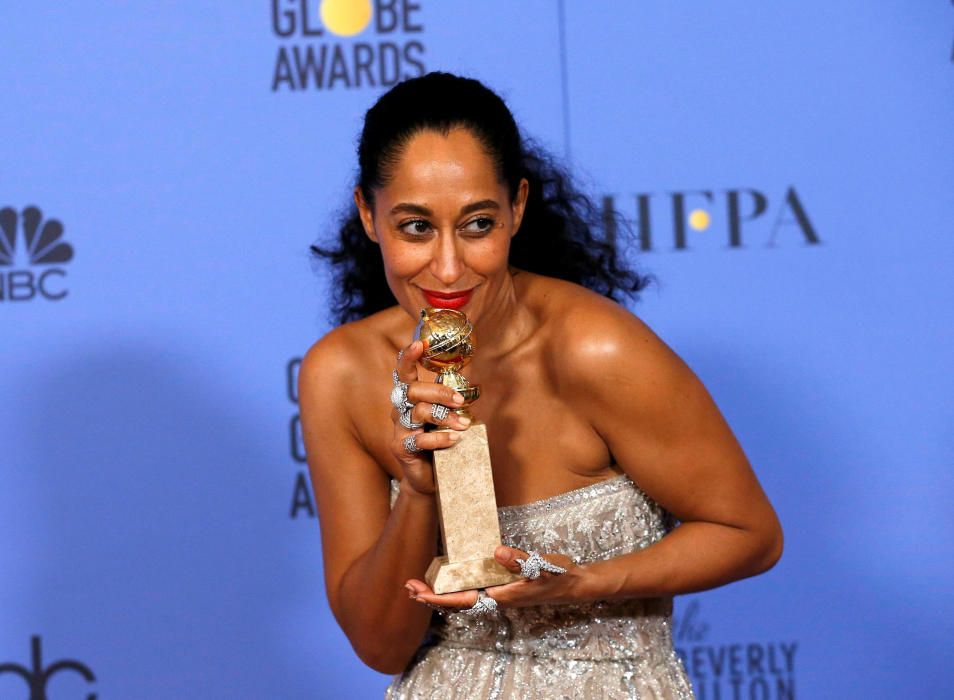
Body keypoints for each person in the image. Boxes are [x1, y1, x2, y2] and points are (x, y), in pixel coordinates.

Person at [299, 72, 783, 699]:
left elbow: (750, 534)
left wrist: (585, 582)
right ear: (369, 214)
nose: (448, 266)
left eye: (477, 224)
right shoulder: (339, 374)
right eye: (415, 227)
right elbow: (379, 644)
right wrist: (418, 491)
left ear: (517, 207)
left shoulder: (595, 349)